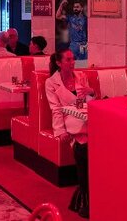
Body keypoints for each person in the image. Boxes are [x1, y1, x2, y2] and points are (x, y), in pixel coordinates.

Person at [45, 50, 95, 218]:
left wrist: (90, 91)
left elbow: (91, 102)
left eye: (73, 59)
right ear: (59, 63)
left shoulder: (81, 76)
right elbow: (56, 109)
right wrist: (60, 131)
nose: (73, 62)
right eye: (68, 59)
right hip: (70, 119)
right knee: (84, 142)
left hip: (86, 117)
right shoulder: (51, 82)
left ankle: (86, 195)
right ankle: (87, 198)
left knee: (85, 145)